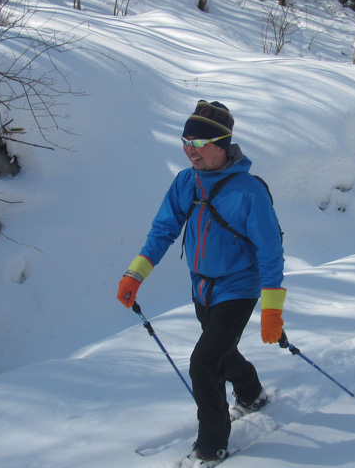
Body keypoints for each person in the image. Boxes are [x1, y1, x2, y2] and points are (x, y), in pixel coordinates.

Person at [116, 100, 286, 467]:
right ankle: (251, 392)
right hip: (201, 287)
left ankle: (212, 443)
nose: (189, 150)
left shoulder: (248, 192)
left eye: (198, 143)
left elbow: (270, 252)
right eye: (185, 141)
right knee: (220, 351)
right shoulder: (184, 182)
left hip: (239, 287)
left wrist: (272, 309)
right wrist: (135, 273)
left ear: (221, 145)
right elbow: (164, 229)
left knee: (203, 363)